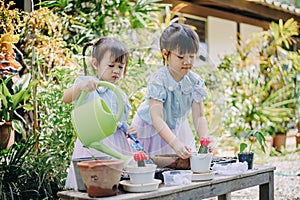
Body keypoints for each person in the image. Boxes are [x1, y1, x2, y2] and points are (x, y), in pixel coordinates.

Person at [63, 37, 136, 190]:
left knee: (113, 184)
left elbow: (119, 122)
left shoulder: (120, 95)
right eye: (111, 65)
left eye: (120, 67)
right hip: (93, 143)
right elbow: (66, 98)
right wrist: (81, 87)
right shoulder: (88, 84)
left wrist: (128, 129)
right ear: (95, 63)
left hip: (116, 145)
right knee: (91, 184)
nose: (116, 70)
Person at [132, 23, 209, 159]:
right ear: (166, 54)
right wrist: (175, 143)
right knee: (152, 167)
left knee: (179, 166)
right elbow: (157, 118)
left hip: (176, 128)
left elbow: (199, 116)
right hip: (151, 129)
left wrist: (205, 141)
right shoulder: (158, 80)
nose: (187, 61)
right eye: (181, 57)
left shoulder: (195, 82)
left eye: (192, 56)